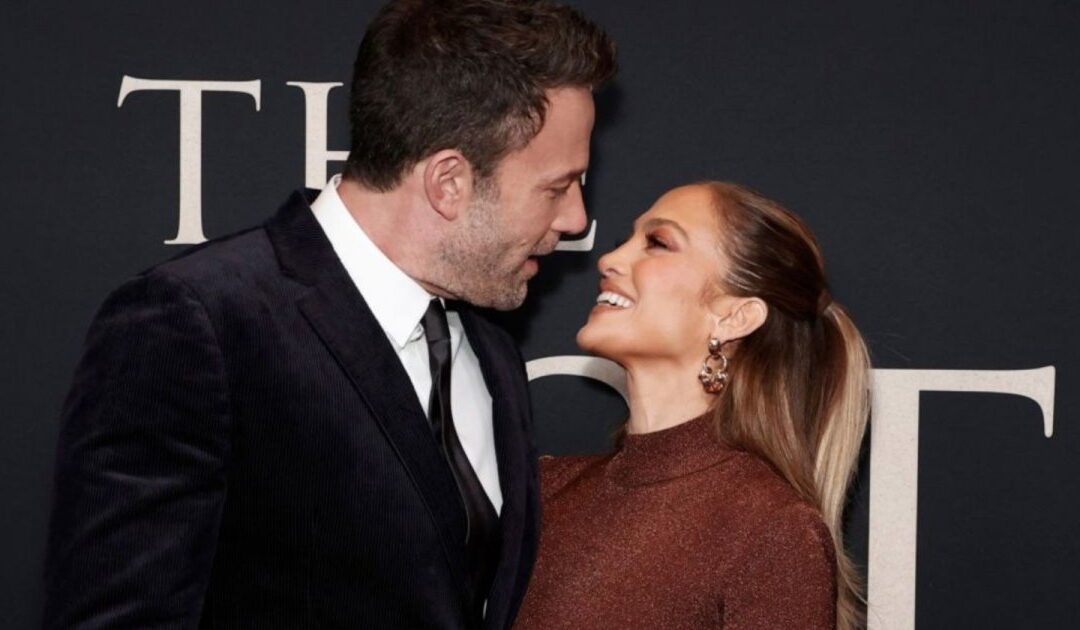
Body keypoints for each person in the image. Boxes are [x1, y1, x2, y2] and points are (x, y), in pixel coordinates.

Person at [42, 1, 615, 628]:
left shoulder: (488, 346)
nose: (576, 219)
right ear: (448, 182)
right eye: (557, 187)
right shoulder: (200, 322)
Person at [514, 182, 871, 630]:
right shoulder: (548, 489)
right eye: (625, 240)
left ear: (735, 316)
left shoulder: (769, 529)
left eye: (658, 243)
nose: (609, 259)